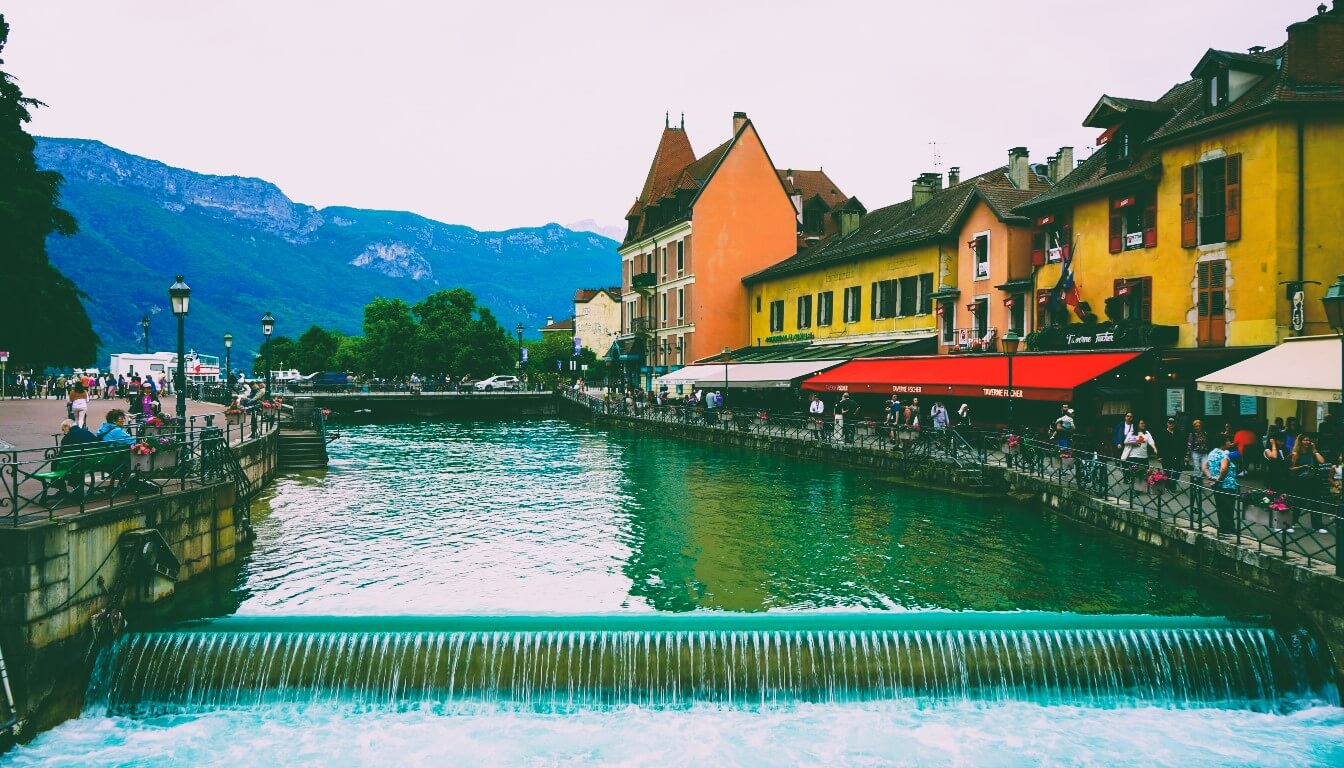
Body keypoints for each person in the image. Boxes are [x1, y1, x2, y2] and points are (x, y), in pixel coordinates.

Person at [1290, 435, 1329, 533]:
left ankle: (1317, 525)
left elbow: (1322, 461)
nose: (1307, 442)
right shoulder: (1296, 453)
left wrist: (1315, 450)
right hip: (1300, 481)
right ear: (1300, 441)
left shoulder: (1313, 452)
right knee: (1298, 502)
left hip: (1313, 480)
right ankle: (1291, 522)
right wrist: (1303, 467)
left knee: (1316, 502)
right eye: (1305, 440)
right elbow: (1291, 468)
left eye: (1308, 440)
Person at [1204, 434, 1239, 536]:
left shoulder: (1212, 453)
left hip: (1216, 485)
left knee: (1221, 507)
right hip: (1227, 484)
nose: (1229, 443)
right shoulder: (1224, 455)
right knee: (1228, 507)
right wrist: (1219, 479)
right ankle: (1228, 529)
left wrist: (1210, 477)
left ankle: (1225, 528)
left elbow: (1205, 466)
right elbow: (1224, 468)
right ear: (1223, 443)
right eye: (1228, 441)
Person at [1161, 417, 1186, 482]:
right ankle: (1167, 485)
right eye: (1170, 423)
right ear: (1167, 423)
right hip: (1166, 456)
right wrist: (1159, 456)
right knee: (1167, 472)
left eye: (1173, 423)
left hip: (1177, 455)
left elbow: (1182, 444)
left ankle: (1173, 483)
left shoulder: (1178, 432)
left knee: (1178, 469)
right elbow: (1159, 445)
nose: (1171, 424)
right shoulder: (1163, 432)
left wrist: (1184, 455)